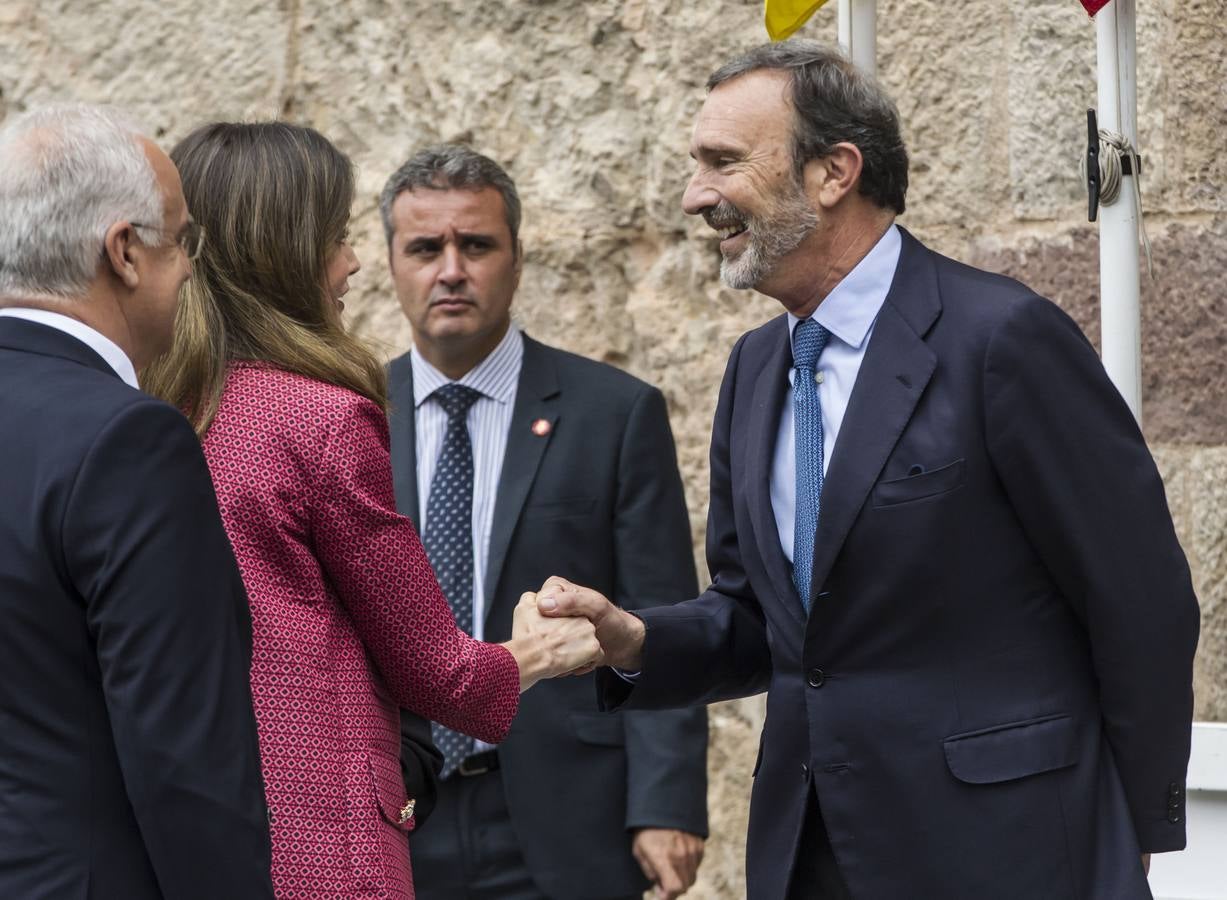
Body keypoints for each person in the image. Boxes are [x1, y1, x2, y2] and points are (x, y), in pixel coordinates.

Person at [538, 40, 1201, 900]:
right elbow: (760, 621)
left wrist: (1132, 829)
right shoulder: (752, 370)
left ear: (833, 172)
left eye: (722, 162)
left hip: (1008, 854)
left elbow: (1138, 597)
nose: (694, 195)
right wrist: (635, 642)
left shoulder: (1000, 339)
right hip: (810, 853)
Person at [140, 122, 599, 900]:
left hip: (190, 838)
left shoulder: (151, 415)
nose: (351, 263)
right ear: (282, 251)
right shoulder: (320, 419)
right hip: (323, 844)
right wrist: (537, 653)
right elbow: (440, 672)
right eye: (336, 237)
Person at [381, 145, 709, 900]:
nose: (451, 269)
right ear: (393, 263)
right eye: (426, 248)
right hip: (399, 810)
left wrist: (665, 803)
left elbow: (659, 612)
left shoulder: (614, 413)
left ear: (517, 259)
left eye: (477, 245)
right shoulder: (353, 416)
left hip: (565, 817)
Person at [0, 105, 274, 898]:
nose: (190, 268)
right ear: (124, 252)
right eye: (181, 239)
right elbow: (185, 760)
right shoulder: (128, 442)